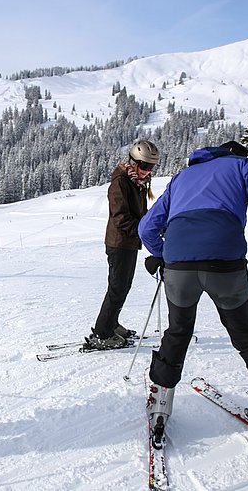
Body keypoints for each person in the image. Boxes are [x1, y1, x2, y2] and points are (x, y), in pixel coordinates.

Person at [139, 140, 248, 443]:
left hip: (179, 265)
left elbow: (147, 227)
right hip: (225, 262)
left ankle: (160, 408)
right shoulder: (244, 166)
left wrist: (163, 255)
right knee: (243, 332)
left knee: (177, 332)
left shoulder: (182, 177)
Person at [86, 139, 160, 350]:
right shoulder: (120, 182)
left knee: (122, 287)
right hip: (120, 243)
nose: (147, 171)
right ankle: (102, 332)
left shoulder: (136, 182)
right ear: (133, 161)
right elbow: (120, 218)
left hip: (128, 242)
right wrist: (143, 229)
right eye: (144, 166)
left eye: (151, 167)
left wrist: (152, 224)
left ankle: (111, 324)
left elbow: (140, 214)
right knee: (117, 288)